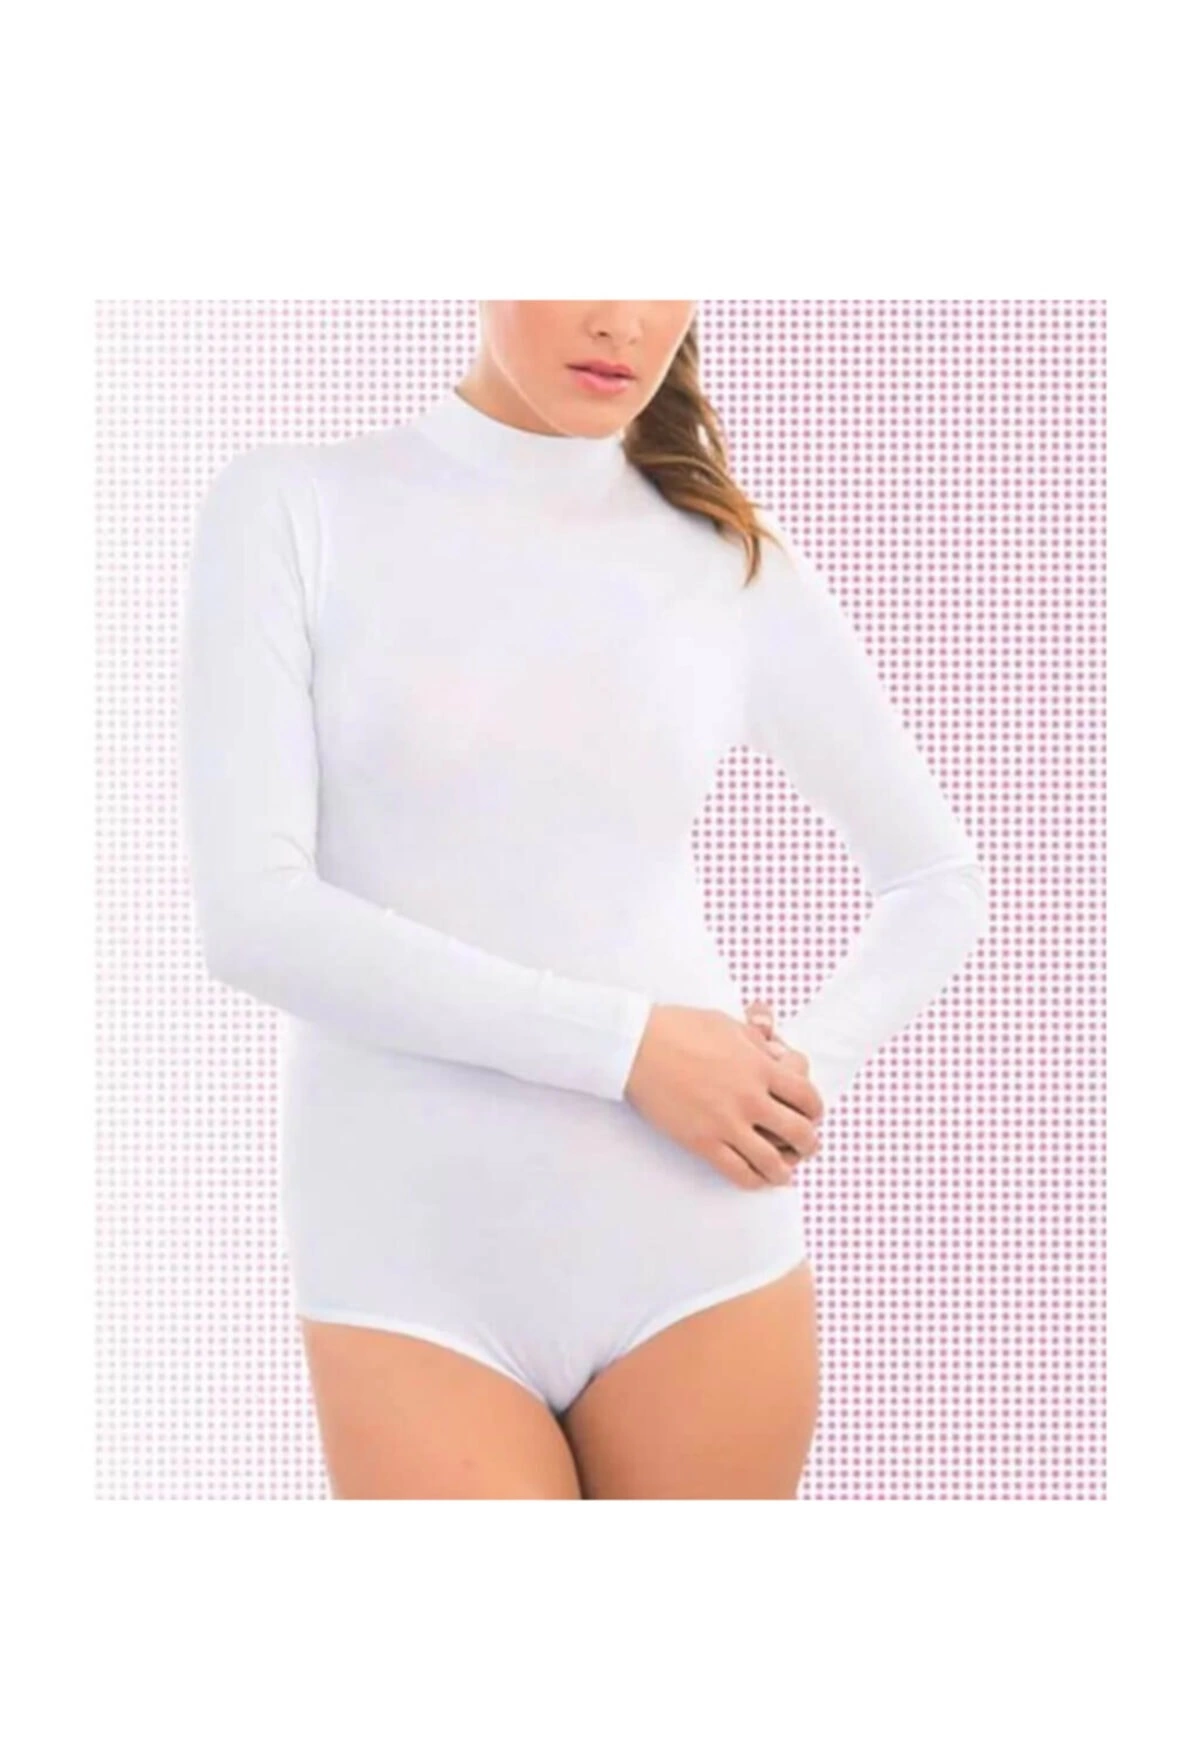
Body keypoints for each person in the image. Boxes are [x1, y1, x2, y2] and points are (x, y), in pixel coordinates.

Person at [179, 300, 988, 1499]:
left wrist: (804, 1067)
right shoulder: (295, 508)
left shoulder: (727, 560)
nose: (619, 318)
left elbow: (937, 879)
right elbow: (255, 920)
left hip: (700, 1247)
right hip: (408, 1258)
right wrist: (632, 1049)